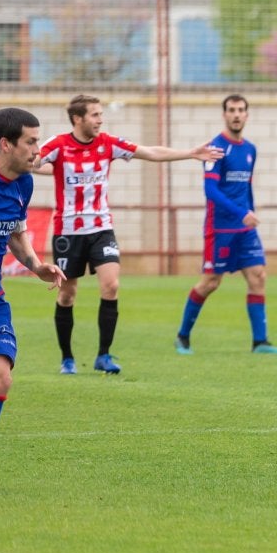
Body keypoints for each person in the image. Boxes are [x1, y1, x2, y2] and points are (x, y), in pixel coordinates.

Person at [37, 94, 223, 375]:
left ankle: (104, 355)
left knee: (111, 285)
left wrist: (190, 153)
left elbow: (150, 152)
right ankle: (67, 359)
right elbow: (30, 161)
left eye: (101, 114)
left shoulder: (108, 143)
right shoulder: (58, 145)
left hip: (101, 229)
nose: (100, 120)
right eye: (95, 115)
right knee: (67, 295)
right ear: (78, 119)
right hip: (68, 232)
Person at [0, 108, 67, 492]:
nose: (37, 149)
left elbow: (15, 232)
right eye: (31, 141)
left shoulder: (23, 184)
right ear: (5, 143)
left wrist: (36, 264)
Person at [174, 94, 277, 356]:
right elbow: (210, 190)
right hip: (221, 228)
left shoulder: (250, 149)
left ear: (247, 115)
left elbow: (246, 188)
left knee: (258, 277)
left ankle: (260, 343)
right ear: (224, 114)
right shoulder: (215, 148)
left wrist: (251, 214)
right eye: (232, 110)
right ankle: (182, 336)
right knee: (211, 282)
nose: (236, 115)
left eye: (241, 110)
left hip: (245, 229)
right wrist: (240, 213)